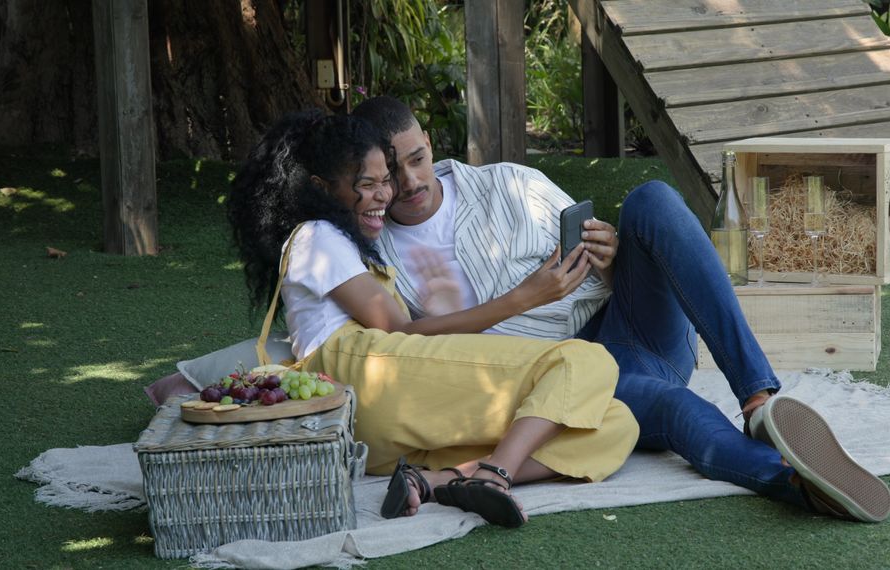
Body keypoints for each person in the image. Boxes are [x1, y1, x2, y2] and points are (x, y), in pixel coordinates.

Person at [350, 95, 890, 523]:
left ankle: (759, 401)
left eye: (418, 158)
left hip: (630, 328)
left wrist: (610, 259)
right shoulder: (378, 254)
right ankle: (795, 480)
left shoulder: (506, 182)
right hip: (564, 385)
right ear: (369, 173)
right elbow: (419, 352)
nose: (412, 181)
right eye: (392, 172)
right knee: (677, 409)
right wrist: (521, 301)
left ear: (428, 141)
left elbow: (595, 259)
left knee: (652, 200)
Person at [220, 109, 639, 528]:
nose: (385, 195)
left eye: (385, 181)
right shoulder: (317, 236)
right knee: (584, 360)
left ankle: (438, 480)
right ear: (322, 188)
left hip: (388, 429)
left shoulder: (352, 240)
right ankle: (496, 477)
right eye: (366, 185)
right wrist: (522, 298)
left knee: (614, 424)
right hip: (362, 375)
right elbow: (398, 332)